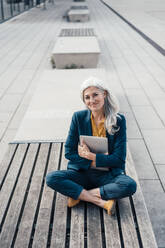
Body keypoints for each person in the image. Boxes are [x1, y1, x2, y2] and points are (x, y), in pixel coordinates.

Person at [46, 77, 137, 215]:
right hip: (83, 172)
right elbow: (69, 152)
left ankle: (80, 195)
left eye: (95, 95)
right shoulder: (78, 117)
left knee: (130, 185)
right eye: (87, 97)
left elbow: (118, 159)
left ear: (104, 94)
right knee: (52, 178)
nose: (91, 100)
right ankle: (100, 201)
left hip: (108, 175)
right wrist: (91, 160)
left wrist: (92, 156)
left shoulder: (118, 120)